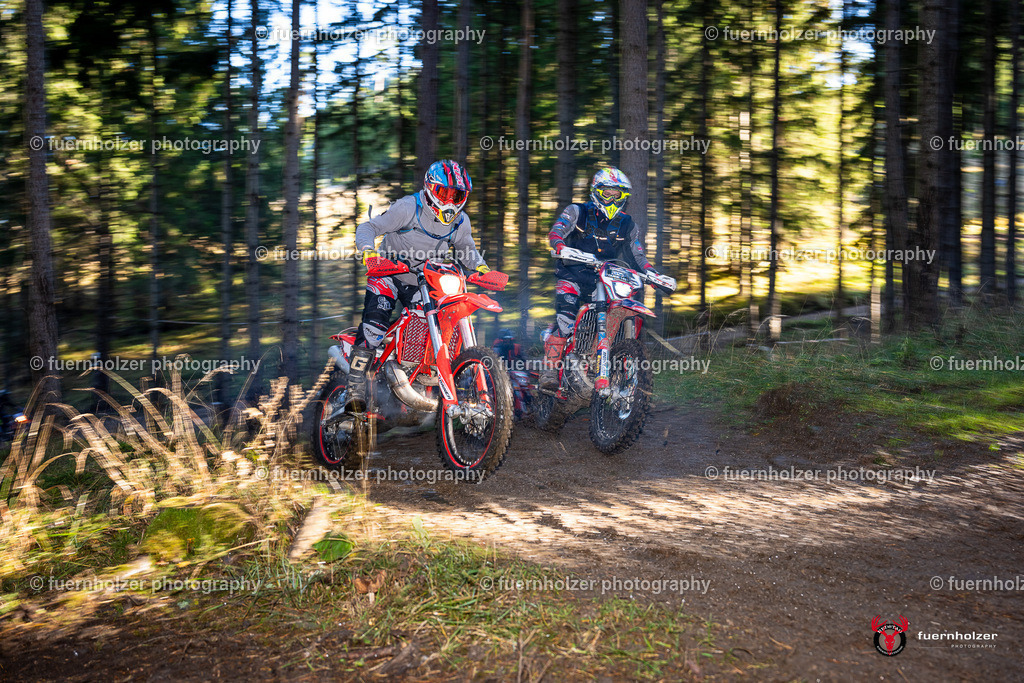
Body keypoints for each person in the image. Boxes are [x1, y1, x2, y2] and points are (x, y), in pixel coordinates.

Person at [347, 159, 490, 406]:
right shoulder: (407, 207)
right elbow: (368, 227)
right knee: (374, 328)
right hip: (388, 272)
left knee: (440, 319)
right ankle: (355, 388)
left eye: (456, 196)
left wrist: (482, 268)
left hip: (424, 280)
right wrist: (369, 253)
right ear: (429, 188)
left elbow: (468, 250)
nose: (448, 201)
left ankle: (421, 375)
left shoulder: (460, 221)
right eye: (443, 193)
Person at [541, 167, 665, 390]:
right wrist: (560, 246)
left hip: (605, 278)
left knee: (615, 314)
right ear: (596, 192)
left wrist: (653, 274)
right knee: (566, 321)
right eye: (607, 192)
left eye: (616, 194)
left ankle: (596, 364)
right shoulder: (577, 211)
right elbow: (557, 230)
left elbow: (637, 254)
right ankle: (549, 373)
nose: (611, 198)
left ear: (623, 197)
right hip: (572, 274)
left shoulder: (628, 225)